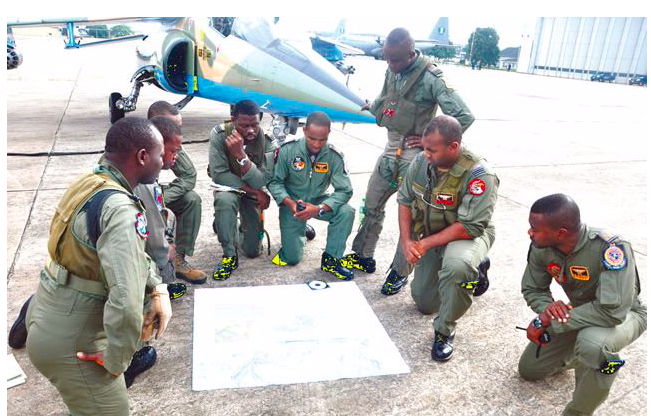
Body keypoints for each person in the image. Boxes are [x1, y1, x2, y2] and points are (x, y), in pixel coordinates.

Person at [24, 117, 172, 415]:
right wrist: (117, 359)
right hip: (75, 341)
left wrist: (155, 285)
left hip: (48, 313)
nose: (161, 162)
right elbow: (126, 300)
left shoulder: (91, 182)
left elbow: (110, 252)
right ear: (142, 156)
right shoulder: (119, 210)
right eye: (159, 154)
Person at [343, 27, 475, 296]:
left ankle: (400, 272)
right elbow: (385, 98)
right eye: (387, 59)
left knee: (413, 216)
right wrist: (373, 106)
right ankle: (362, 255)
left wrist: (429, 141)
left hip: (416, 156)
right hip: (391, 147)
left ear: (411, 53)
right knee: (372, 204)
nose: (390, 64)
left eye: (395, 60)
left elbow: (463, 115)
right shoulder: (392, 69)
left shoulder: (431, 77)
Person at [519, 194, 646, 416]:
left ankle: (578, 411)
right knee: (530, 368)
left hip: (625, 314)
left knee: (592, 344)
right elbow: (533, 288)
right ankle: (582, 360)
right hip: (579, 310)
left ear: (561, 233)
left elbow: (612, 313)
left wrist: (549, 321)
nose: (530, 232)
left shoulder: (611, 249)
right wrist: (547, 308)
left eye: (535, 228)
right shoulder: (541, 246)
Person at [396, 115, 497, 361]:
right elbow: (405, 201)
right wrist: (408, 241)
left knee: (457, 266)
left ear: (453, 146)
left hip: (468, 235)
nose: (425, 154)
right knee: (424, 302)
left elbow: (469, 226)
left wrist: (425, 243)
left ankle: (445, 330)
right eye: (424, 147)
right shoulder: (421, 163)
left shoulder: (479, 174)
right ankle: (469, 273)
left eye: (432, 149)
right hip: (433, 235)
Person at [267, 111, 355, 280]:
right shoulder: (287, 150)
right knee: (291, 258)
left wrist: (320, 208)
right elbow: (275, 182)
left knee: (346, 212)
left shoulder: (333, 156)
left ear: (329, 133)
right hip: (292, 204)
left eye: (322, 139)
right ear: (305, 130)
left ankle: (332, 260)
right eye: (312, 138)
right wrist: (290, 203)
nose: (317, 144)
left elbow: (345, 190)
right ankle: (300, 228)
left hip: (317, 202)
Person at [208, 99, 276, 280]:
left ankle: (227, 225)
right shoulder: (220, 135)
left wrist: (241, 156)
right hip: (229, 188)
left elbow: (261, 179)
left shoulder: (268, 142)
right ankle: (229, 256)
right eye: (244, 125)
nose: (251, 130)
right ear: (233, 120)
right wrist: (254, 192)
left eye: (255, 124)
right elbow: (219, 174)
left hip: (253, 188)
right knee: (225, 200)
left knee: (253, 251)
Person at [147, 101, 206, 283]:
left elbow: (189, 175)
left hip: (153, 197)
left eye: (178, 127)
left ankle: (177, 259)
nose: (176, 132)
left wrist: (161, 200)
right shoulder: (138, 145)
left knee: (191, 199)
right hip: (137, 205)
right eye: (171, 127)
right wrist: (154, 204)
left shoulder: (170, 143)